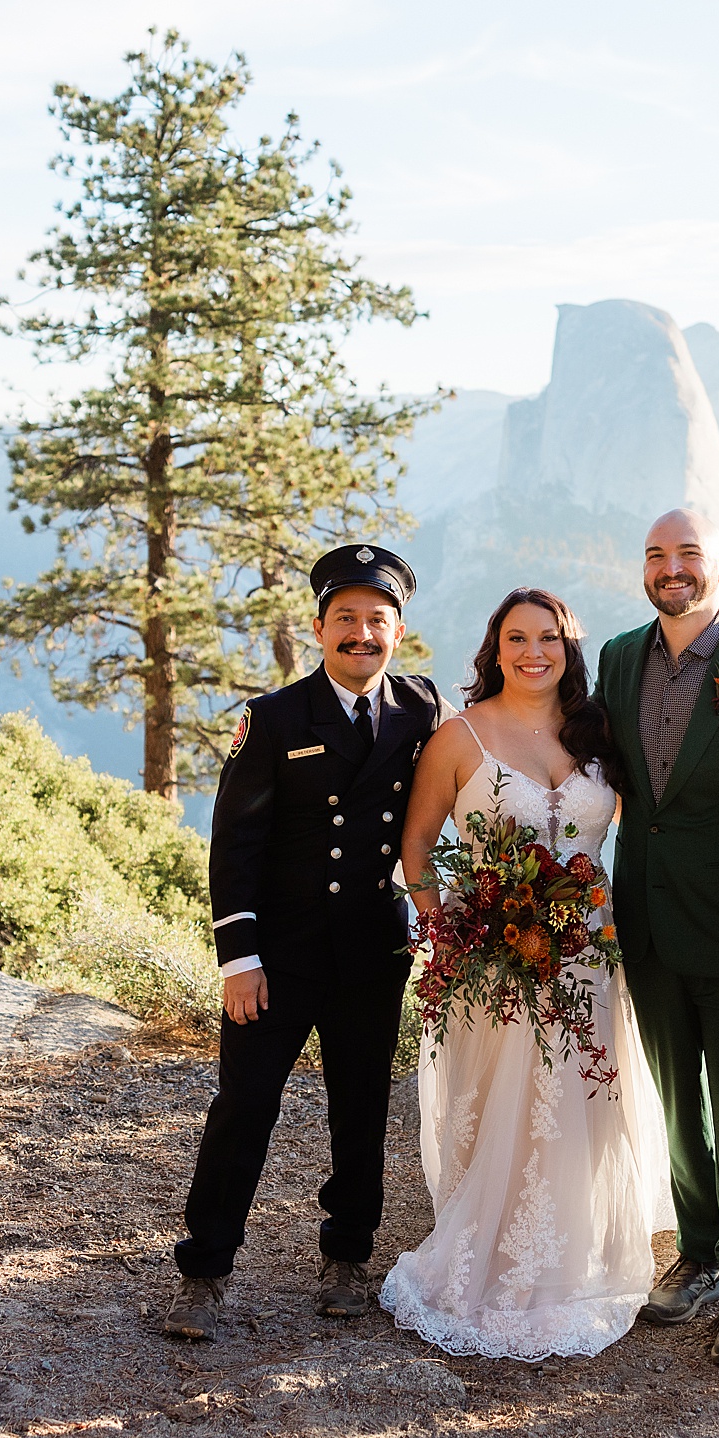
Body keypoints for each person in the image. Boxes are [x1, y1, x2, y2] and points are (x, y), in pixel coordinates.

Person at [162, 544, 456, 1341]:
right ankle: (206, 1270)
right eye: (347, 620)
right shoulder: (274, 717)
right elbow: (235, 846)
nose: (363, 634)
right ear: (319, 627)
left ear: (399, 631)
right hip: (280, 956)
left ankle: (347, 1259)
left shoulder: (419, 710)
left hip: (370, 951)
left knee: (360, 1109)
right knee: (244, 1106)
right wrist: (238, 957)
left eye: (378, 621)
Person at [379, 588, 676, 1359]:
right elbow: (416, 852)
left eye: (548, 637)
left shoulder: (599, 735)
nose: (532, 650)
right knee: (503, 1108)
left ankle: (581, 1257)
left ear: (569, 647)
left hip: (588, 960)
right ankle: (494, 1258)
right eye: (517, 637)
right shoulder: (459, 738)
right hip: (494, 964)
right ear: (495, 646)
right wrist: (448, 936)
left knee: (581, 1108)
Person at [594, 507, 719, 1370]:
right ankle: (702, 1254)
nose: (669, 568)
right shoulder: (616, 657)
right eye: (655, 555)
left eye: (686, 554)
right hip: (646, 920)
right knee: (678, 1099)